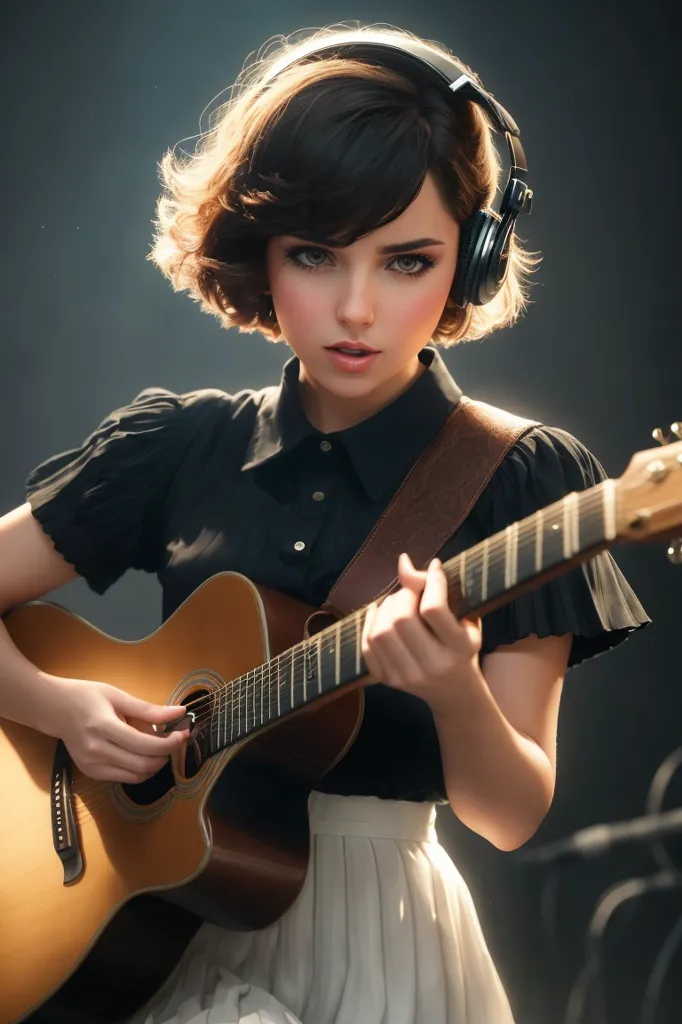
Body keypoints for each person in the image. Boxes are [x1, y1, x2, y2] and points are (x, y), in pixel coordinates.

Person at [0, 23, 650, 1024]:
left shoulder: (523, 477)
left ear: (469, 263)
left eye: (407, 261)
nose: (356, 307)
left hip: (386, 946)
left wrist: (454, 694)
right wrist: (61, 709)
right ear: (257, 251)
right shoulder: (176, 447)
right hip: (161, 936)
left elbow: (511, 815)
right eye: (315, 254)